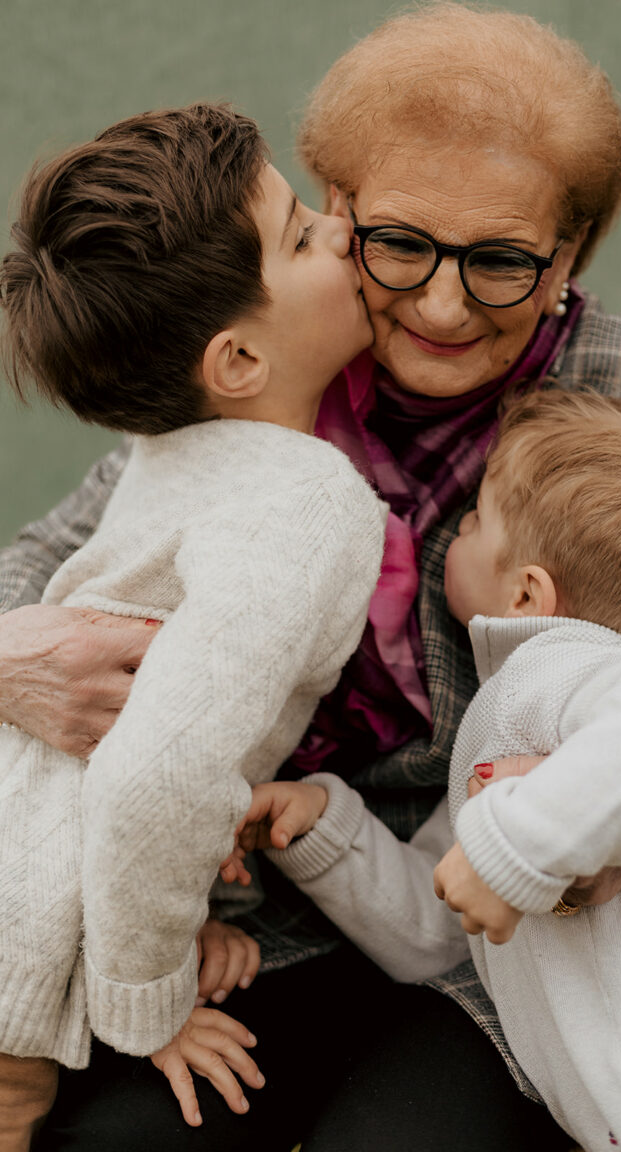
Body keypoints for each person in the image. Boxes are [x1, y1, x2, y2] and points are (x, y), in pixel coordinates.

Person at [3, 5, 621, 1149]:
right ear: (339, 212)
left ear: (571, 256)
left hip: (488, 937)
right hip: (248, 920)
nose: (443, 304)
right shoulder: (257, 367)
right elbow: (45, 563)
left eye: (504, 261)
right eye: (399, 242)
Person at [235, 390, 621, 1151]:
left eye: (477, 520)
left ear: (526, 592)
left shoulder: (558, 673)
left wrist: (515, 848)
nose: (455, 532)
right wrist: (328, 831)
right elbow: (441, 928)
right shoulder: (525, 718)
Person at [0, 103, 384, 1150]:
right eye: (303, 234)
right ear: (238, 364)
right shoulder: (305, 501)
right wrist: (152, 1002)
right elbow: (151, 778)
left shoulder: (166, 459)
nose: (343, 232)